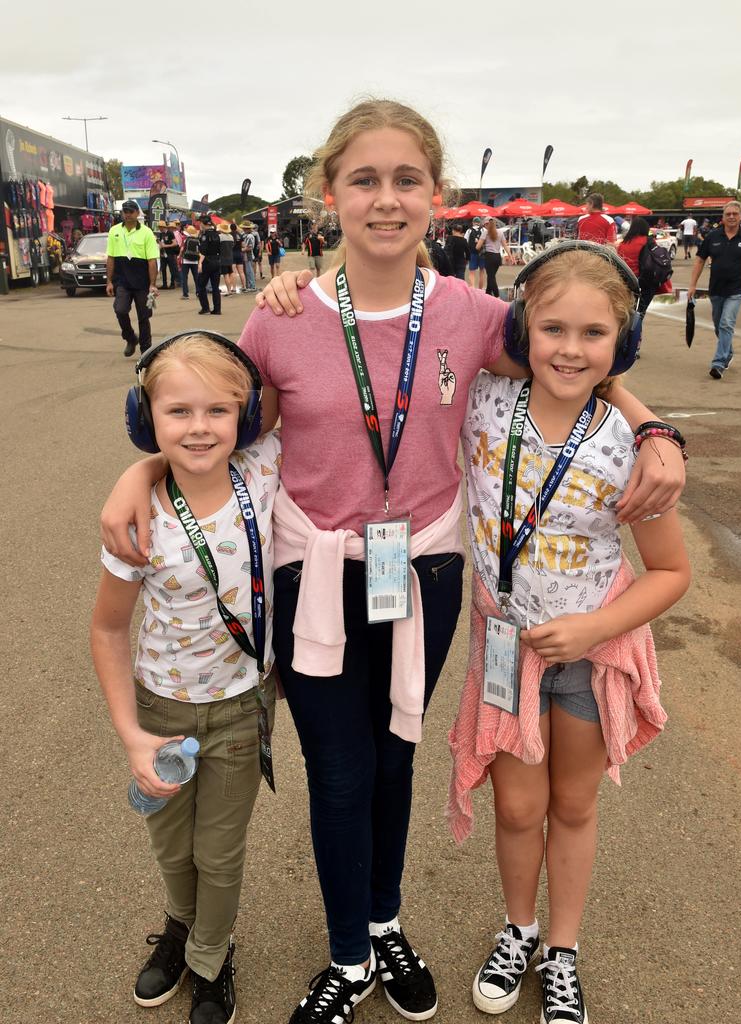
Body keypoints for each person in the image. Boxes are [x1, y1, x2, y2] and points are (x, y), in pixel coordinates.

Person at [101, 99, 685, 1024]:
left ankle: (384, 922)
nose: (386, 199)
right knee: (339, 769)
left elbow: (575, 348)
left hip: (426, 572)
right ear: (329, 193)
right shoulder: (281, 317)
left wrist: (654, 426)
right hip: (311, 572)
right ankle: (347, 954)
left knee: (394, 761)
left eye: (406, 179)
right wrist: (140, 470)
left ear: (435, 195)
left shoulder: (472, 313)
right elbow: (209, 420)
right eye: (364, 180)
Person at [447, 243, 690, 1024]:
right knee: (518, 809)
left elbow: (669, 572)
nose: (571, 349)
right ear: (522, 329)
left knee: (573, 807)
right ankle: (517, 931)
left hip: (590, 659)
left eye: (594, 333)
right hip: (503, 650)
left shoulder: (631, 449)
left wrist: (594, 627)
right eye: (552, 328)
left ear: (623, 343)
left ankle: (561, 950)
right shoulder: (482, 399)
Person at [91, 332, 280, 1024]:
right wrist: (131, 735)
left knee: (218, 852)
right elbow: (109, 629)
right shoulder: (137, 520)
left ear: (246, 418)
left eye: (217, 412)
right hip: (162, 709)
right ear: (147, 420)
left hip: (239, 709)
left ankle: (209, 953)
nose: (199, 427)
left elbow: (299, 380)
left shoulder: (264, 471)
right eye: (177, 412)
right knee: (172, 845)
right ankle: (180, 921)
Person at [688, 200, 741, 379]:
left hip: (737, 289)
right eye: (728, 214)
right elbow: (700, 260)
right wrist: (692, 284)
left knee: (726, 323)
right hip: (715, 289)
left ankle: (718, 363)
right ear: (723, 217)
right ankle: (728, 351)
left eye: (735, 214)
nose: (731, 217)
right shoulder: (712, 237)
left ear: (740, 216)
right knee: (719, 326)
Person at [106, 199, 160, 357]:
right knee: (120, 310)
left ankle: (146, 351)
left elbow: (152, 261)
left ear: (137, 213)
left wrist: (152, 284)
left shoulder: (146, 232)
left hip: (142, 282)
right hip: (122, 281)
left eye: (131, 211)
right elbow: (110, 257)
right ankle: (130, 338)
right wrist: (109, 281)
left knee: (144, 317)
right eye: (125, 211)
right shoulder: (114, 230)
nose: (128, 214)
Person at [617, 216, 655, 316]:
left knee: (630, 309)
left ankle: (630, 326)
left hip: (626, 280)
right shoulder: (647, 240)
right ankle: (637, 324)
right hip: (643, 279)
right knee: (641, 311)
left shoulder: (623, 243)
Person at [476, 217, 510, 297]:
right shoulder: (500, 232)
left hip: (489, 257)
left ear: (487, 224)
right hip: (498, 257)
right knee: (491, 276)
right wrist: (510, 255)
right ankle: (487, 294)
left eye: (485, 225)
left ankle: (497, 296)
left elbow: (477, 247)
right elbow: (505, 245)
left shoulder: (485, 233)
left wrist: (478, 241)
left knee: (491, 277)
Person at [197, 215, 222, 316]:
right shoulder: (217, 234)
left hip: (207, 261)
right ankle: (217, 309)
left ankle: (205, 307)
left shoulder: (205, 235)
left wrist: (200, 264)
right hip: (217, 261)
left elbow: (203, 251)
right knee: (215, 287)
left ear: (203, 224)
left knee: (201, 285)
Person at [179, 225, 201, 300]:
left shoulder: (185, 239)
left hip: (186, 260)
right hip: (195, 261)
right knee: (196, 277)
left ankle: (185, 294)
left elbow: (182, 249)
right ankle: (198, 292)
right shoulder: (197, 240)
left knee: (184, 277)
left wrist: (180, 256)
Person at [158, 221, 180, 289]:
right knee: (163, 269)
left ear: (164, 227)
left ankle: (172, 284)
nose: (160, 228)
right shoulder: (161, 234)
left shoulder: (170, 233)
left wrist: (165, 246)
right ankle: (164, 284)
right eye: (159, 227)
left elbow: (175, 243)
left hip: (170, 254)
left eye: (160, 227)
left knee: (172, 269)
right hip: (163, 254)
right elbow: (161, 243)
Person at [466, 217, 486, 289]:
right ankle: (480, 289)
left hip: (472, 253)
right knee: (482, 272)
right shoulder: (484, 230)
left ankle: (473, 288)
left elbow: (465, 241)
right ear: (480, 222)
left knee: (472, 272)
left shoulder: (469, 231)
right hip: (482, 253)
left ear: (473, 222)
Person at [218, 223, 236, 296]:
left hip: (222, 258)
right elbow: (232, 246)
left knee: (225, 275)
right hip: (230, 257)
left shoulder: (220, 237)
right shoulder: (231, 237)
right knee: (231, 273)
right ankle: (231, 288)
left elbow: (217, 247)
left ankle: (229, 290)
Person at [241, 221, 258, 292]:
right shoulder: (246, 235)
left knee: (249, 271)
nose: (243, 229)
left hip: (249, 255)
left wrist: (242, 249)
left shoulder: (250, 236)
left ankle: (252, 286)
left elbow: (250, 247)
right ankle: (249, 285)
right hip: (247, 255)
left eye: (244, 228)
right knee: (247, 271)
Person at [230, 221, 247, 293]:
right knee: (241, 272)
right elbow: (244, 245)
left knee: (233, 272)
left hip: (232, 254)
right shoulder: (240, 235)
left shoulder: (230, 235)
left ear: (230, 228)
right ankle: (244, 286)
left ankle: (234, 288)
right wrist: (241, 249)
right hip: (239, 254)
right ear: (236, 228)